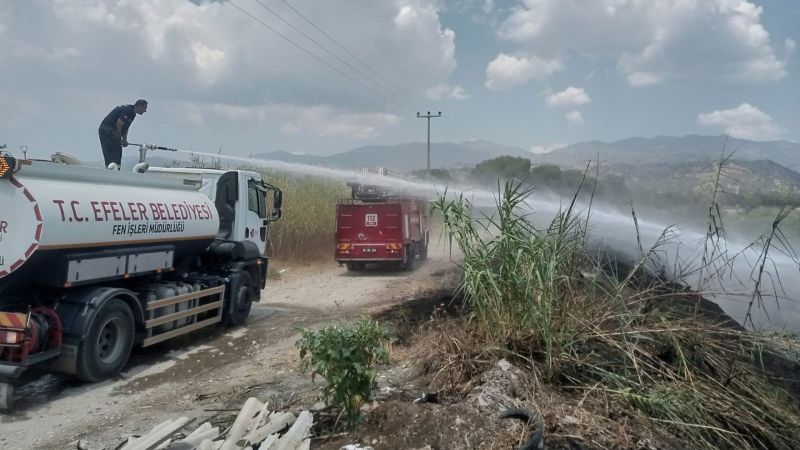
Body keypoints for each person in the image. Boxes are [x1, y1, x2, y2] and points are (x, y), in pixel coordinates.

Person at [98, 99, 148, 169]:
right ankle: (112, 168)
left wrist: (124, 140)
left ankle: (116, 167)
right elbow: (119, 123)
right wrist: (120, 138)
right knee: (112, 151)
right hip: (107, 130)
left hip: (112, 130)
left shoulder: (133, 113)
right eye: (145, 108)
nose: (145, 111)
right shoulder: (128, 110)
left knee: (117, 150)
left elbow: (126, 128)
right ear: (140, 106)